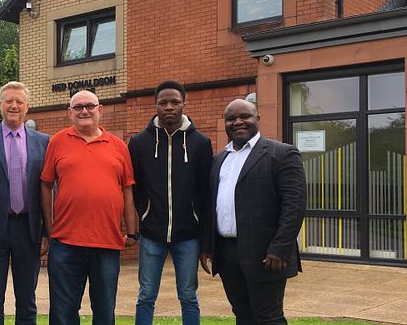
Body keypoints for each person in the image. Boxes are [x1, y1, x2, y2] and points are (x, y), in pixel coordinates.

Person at [200, 99, 306, 325]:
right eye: (231, 118)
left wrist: (280, 248)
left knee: (268, 317)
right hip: (227, 253)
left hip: (266, 254)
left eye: (244, 116)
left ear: (257, 119)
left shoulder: (282, 153)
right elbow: (212, 205)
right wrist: (207, 246)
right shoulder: (219, 159)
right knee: (242, 314)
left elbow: (294, 206)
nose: (237, 122)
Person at [40, 90, 138, 325]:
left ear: (100, 110)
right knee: (63, 313)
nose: (84, 111)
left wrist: (132, 231)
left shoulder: (118, 146)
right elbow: (45, 186)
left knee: (104, 312)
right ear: (70, 113)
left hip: (106, 243)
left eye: (90, 106)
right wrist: (51, 228)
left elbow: (127, 190)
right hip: (65, 243)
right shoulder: (57, 141)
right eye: (78, 107)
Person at [129, 80, 213, 325]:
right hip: (151, 234)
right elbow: (135, 187)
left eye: (175, 102)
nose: (169, 107)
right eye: (163, 102)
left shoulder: (200, 143)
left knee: (188, 296)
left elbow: (205, 192)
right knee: (146, 295)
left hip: (188, 235)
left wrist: (203, 233)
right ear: (155, 105)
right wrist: (144, 213)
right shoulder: (139, 142)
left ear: (183, 105)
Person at [0, 81, 50, 325]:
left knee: (27, 300)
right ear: (0, 106)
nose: (14, 106)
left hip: (29, 229)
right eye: (9, 101)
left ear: (27, 107)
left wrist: (47, 231)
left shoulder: (44, 141)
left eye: (19, 101)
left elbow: (48, 189)